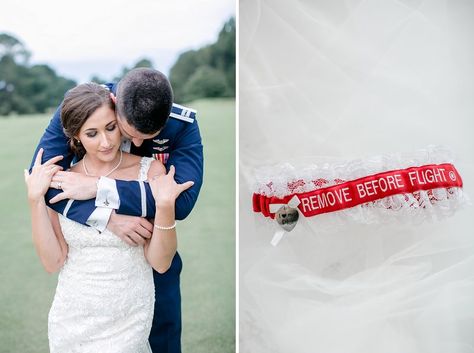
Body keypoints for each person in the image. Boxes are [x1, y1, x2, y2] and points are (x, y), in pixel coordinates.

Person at [29, 68, 203, 353]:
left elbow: (180, 202)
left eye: (147, 136)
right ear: (114, 101)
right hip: (83, 291)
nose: (136, 144)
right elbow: (46, 183)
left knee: (164, 340)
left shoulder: (182, 125)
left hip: (150, 251)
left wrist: (100, 188)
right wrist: (107, 218)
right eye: (128, 132)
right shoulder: (80, 107)